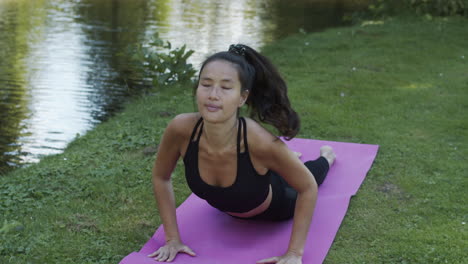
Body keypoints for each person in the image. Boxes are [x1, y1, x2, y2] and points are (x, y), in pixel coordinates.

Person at [148, 44, 336, 264]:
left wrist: (294, 253)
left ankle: (327, 157)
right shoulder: (180, 129)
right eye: (206, 84)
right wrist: (172, 239)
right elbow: (161, 177)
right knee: (278, 164)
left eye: (226, 87)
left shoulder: (261, 143)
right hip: (245, 186)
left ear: (242, 97)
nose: (213, 95)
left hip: (276, 204)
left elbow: (307, 187)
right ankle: (286, 160)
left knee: (312, 174)